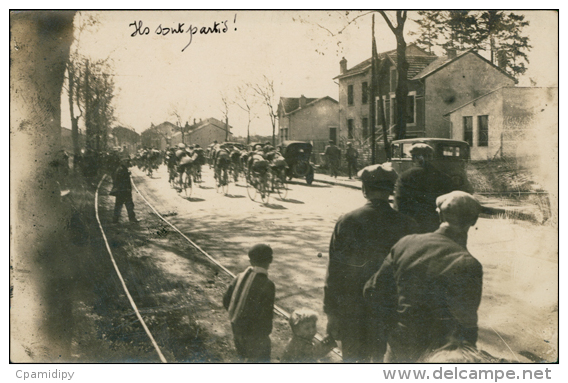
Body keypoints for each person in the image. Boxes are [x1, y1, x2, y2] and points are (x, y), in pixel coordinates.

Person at [363, 191, 483, 363]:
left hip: (399, 346)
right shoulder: (467, 263)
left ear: (439, 214)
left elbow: (372, 290)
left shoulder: (406, 243)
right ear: (474, 221)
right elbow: (466, 324)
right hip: (438, 357)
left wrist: (394, 328)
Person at [324, 164, 418, 362]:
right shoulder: (407, 224)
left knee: (352, 360)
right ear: (391, 190)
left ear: (364, 189)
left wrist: (331, 312)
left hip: (352, 308)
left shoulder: (347, 221)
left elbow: (335, 271)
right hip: (388, 308)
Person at [223, 244, 275, 362]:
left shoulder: (239, 277)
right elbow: (267, 313)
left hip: (237, 328)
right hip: (256, 334)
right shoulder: (268, 284)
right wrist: (266, 332)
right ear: (270, 260)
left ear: (250, 261)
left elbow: (226, 300)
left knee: (243, 356)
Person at [394, 143, 454, 233]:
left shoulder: (405, 177)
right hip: (435, 226)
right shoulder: (444, 177)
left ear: (413, 158)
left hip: (412, 226)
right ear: (431, 157)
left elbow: (399, 204)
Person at [111, 158, 139, 224]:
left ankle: (116, 219)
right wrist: (126, 188)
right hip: (124, 190)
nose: (127, 164)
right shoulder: (121, 170)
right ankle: (131, 218)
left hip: (122, 190)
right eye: (126, 162)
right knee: (128, 204)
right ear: (123, 162)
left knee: (119, 205)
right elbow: (120, 180)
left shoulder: (122, 169)